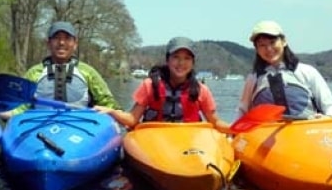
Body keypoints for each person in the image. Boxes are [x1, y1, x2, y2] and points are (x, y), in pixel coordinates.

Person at [96, 37, 232, 133]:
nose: (181, 63)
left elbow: (215, 123)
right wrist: (113, 112)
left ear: (193, 63)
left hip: (189, 140)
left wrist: (237, 129)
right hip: (155, 140)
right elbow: (132, 119)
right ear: (167, 60)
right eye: (176, 57)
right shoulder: (149, 85)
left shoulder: (202, 90)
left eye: (187, 58)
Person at [0, 21, 121, 119]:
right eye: (56, 38)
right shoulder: (34, 73)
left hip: (80, 124)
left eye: (67, 38)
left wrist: (114, 114)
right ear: (48, 43)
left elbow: (109, 105)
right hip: (39, 124)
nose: (62, 43)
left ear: (75, 44)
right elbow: (20, 107)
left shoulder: (88, 72)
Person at [237, 20, 332, 119]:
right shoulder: (253, 79)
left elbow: (331, 107)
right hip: (266, 133)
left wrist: (328, 117)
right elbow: (242, 111)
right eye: (262, 45)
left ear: (284, 41)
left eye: (272, 42)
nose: (268, 49)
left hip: (306, 133)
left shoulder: (307, 72)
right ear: (257, 49)